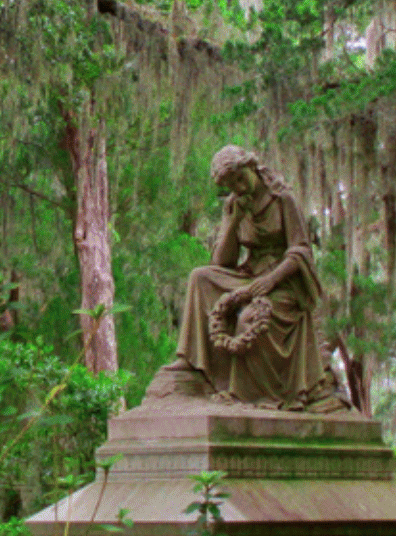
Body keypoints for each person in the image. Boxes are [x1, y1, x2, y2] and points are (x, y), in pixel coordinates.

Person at [146, 145, 350, 412]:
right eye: (232, 185)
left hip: (283, 281)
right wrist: (233, 222)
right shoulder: (235, 204)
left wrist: (272, 280)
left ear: (251, 167)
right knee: (200, 277)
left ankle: (250, 393)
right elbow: (222, 262)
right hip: (250, 274)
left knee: (247, 319)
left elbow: (300, 250)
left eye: (241, 178)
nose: (239, 187)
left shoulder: (282, 199)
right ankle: (190, 362)